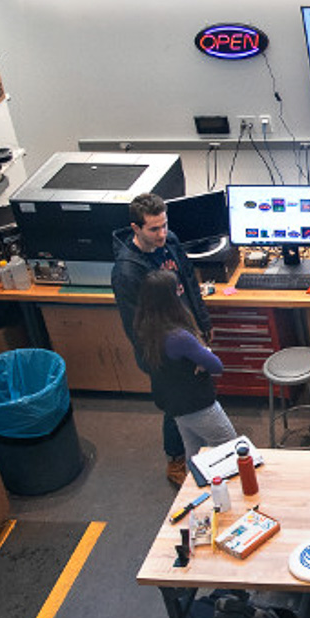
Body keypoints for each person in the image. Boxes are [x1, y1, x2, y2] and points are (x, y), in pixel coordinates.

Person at [112, 191, 214, 485]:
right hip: (163, 348)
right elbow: (136, 328)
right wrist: (166, 360)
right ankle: (175, 460)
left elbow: (189, 282)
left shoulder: (170, 242)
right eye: (154, 229)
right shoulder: (127, 272)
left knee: (192, 393)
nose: (162, 233)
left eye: (164, 225)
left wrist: (203, 324)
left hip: (187, 328)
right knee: (175, 402)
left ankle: (194, 449)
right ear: (136, 229)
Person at [132, 270, 238, 461]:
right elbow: (216, 366)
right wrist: (204, 356)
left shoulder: (144, 327)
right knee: (229, 446)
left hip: (175, 404)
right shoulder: (178, 337)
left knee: (194, 451)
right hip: (198, 405)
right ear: (171, 298)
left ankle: (195, 488)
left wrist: (198, 359)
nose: (182, 291)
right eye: (178, 289)